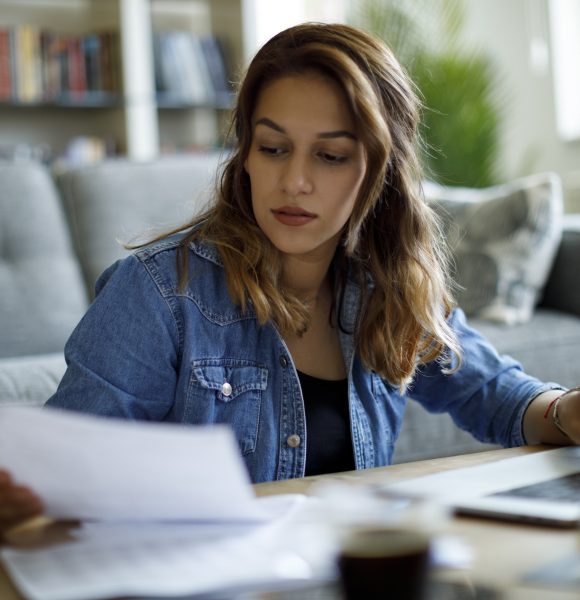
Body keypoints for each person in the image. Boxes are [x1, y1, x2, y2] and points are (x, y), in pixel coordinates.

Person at [1, 22, 579, 535]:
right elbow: (62, 468)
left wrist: (564, 410)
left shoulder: (388, 286)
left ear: (381, 171)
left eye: (329, 157)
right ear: (245, 155)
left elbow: (492, 392)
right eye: (273, 147)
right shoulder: (158, 292)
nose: (293, 181)